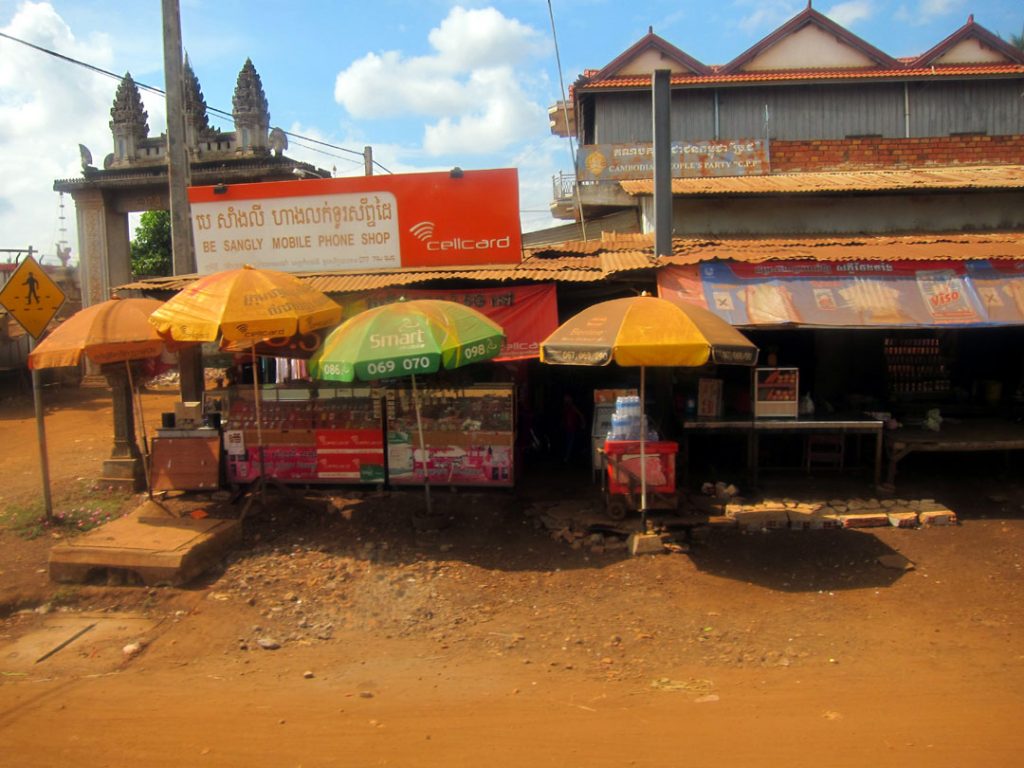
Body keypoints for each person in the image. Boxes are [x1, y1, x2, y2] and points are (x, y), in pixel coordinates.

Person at [561, 394, 586, 464]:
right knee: (569, 442)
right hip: (568, 427)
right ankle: (569, 456)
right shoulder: (567, 407)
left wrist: (583, 423)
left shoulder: (572, 407)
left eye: (566, 399)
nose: (565, 400)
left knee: (570, 442)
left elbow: (580, 415)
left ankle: (568, 457)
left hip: (572, 428)